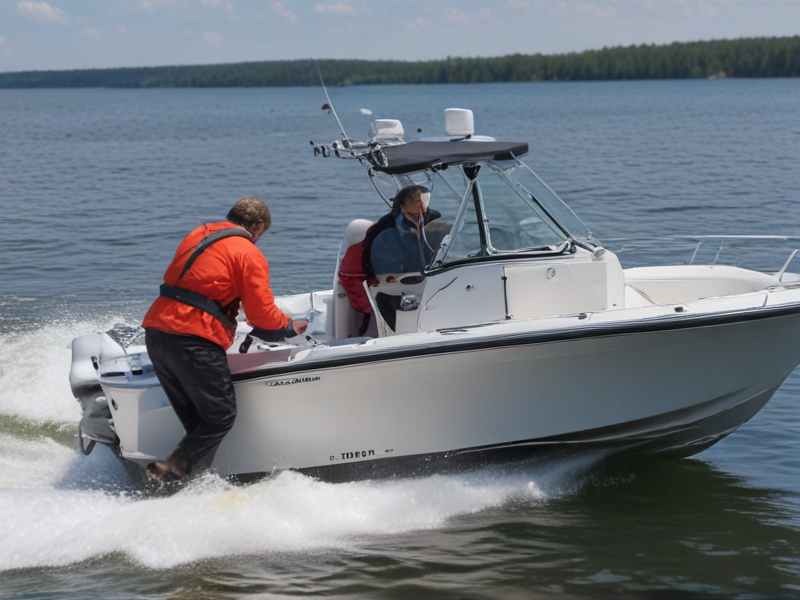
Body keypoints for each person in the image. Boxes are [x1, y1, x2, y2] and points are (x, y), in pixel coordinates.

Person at [141, 196, 308, 485]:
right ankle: (170, 469)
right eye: (261, 234)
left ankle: (189, 487)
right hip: (193, 338)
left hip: (157, 332)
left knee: (198, 421)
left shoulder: (199, 234)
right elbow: (262, 315)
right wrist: (290, 326)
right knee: (219, 416)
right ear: (257, 226)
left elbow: (202, 282)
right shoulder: (248, 252)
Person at [368, 186, 438, 330]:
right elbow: (377, 265)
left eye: (423, 199)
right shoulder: (383, 230)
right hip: (396, 288)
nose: (419, 203)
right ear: (403, 206)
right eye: (413, 200)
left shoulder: (436, 223)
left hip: (433, 283)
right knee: (388, 301)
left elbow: (448, 251)